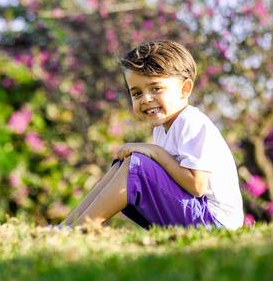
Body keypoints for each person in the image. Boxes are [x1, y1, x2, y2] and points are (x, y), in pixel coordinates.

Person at [59, 39, 244, 230]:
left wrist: (154, 152)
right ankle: (67, 225)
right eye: (137, 93)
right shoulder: (162, 129)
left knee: (136, 167)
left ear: (184, 89)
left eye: (156, 88)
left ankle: (79, 228)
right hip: (196, 213)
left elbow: (197, 186)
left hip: (214, 221)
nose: (146, 99)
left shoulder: (191, 122)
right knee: (124, 165)